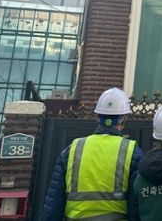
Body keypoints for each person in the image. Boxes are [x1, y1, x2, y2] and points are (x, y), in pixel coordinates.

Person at [42, 87, 144, 221]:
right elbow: (135, 205)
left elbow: (54, 204)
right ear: (124, 118)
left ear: (97, 117)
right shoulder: (132, 152)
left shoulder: (73, 149)